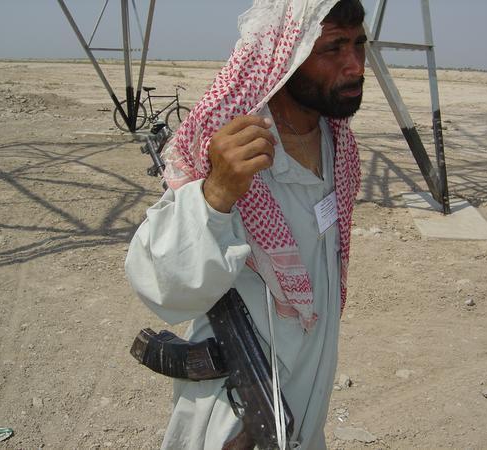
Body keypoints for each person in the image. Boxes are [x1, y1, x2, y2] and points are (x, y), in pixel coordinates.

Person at [125, 0, 366, 448]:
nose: (354, 65)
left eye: (359, 44)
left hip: (306, 402)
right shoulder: (230, 153)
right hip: (233, 412)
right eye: (333, 48)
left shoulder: (339, 148)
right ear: (288, 52)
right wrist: (216, 192)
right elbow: (163, 286)